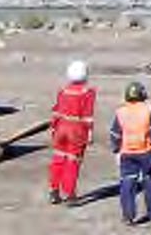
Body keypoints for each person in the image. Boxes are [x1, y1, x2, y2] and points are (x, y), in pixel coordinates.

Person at [111, 80, 151, 225]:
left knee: (127, 184)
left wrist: (116, 151)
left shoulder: (121, 112)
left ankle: (128, 217)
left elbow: (115, 134)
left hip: (127, 153)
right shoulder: (149, 110)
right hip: (147, 152)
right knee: (150, 182)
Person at [48, 60, 98, 204]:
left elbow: (56, 111)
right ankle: (70, 194)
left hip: (60, 128)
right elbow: (88, 116)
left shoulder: (63, 91)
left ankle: (54, 190)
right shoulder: (88, 93)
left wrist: (53, 127)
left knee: (58, 160)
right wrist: (89, 133)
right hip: (76, 130)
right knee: (72, 162)